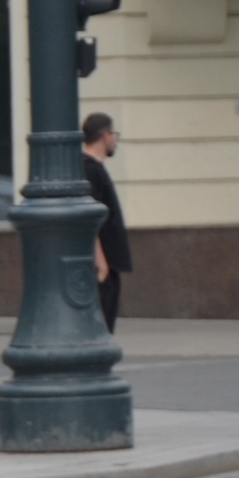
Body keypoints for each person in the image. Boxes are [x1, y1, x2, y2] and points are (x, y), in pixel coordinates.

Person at [80, 113, 133, 333]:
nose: (115, 140)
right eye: (114, 134)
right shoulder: (89, 169)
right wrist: (101, 264)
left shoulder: (93, 168)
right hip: (104, 266)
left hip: (108, 264)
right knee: (101, 328)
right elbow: (90, 220)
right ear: (105, 135)